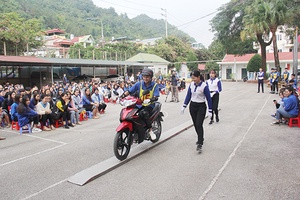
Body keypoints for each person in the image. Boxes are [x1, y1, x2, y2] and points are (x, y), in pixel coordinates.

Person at [121, 68, 159, 141]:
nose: (145, 78)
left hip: (149, 105)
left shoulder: (155, 85)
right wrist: (122, 96)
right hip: (139, 104)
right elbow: (129, 91)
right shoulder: (139, 84)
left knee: (143, 113)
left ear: (151, 77)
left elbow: (156, 96)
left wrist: (151, 99)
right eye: (144, 76)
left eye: (147, 77)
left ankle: (150, 130)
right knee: (129, 114)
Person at [180, 70, 212, 152]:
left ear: (198, 77)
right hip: (193, 106)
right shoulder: (191, 85)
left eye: (194, 78)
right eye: (192, 78)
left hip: (201, 106)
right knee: (195, 124)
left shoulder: (204, 86)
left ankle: (200, 143)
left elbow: (208, 98)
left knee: (199, 124)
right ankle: (200, 137)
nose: (193, 80)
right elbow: (188, 96)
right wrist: (184, 106)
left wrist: (210, 110)